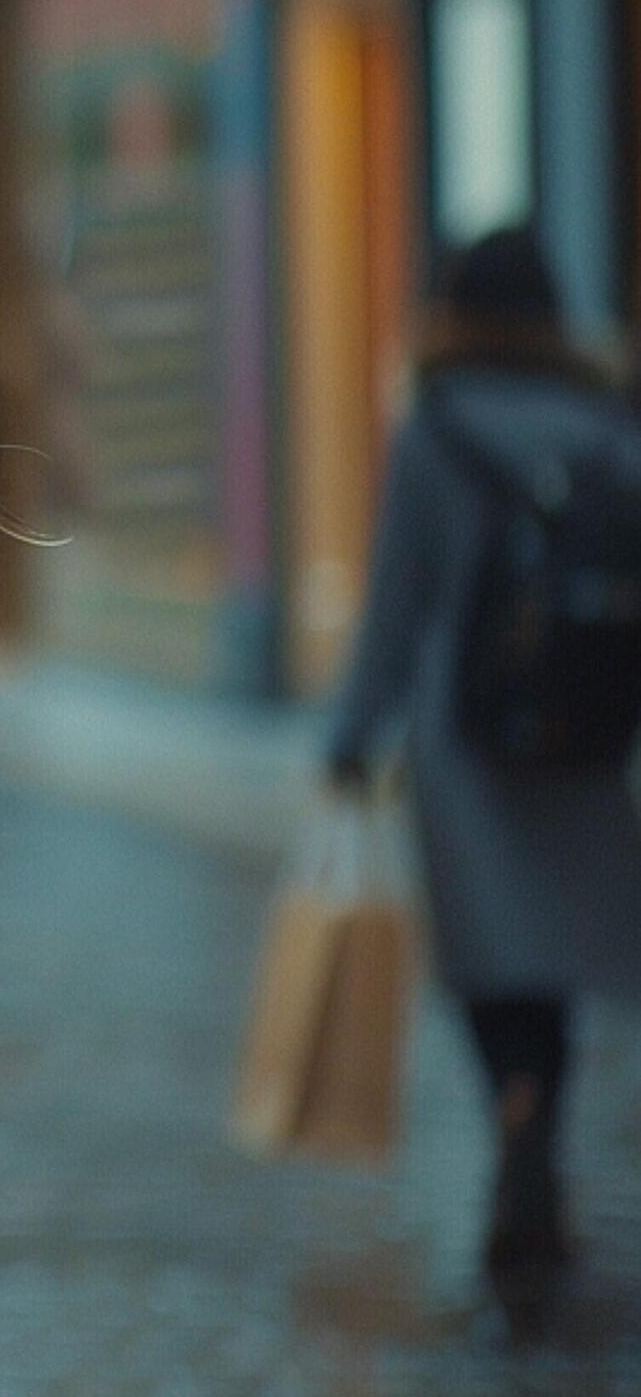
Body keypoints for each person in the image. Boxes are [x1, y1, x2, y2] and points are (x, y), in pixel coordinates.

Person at [325, 225, 641, 1327]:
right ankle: (537, 1125)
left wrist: (349, 733)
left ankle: (507, 1111)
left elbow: (395, 603)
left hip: (463, 749)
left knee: (486, 957)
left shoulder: (433, 430)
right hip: (586, 745)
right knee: (550, 957)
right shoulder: (609, 430)